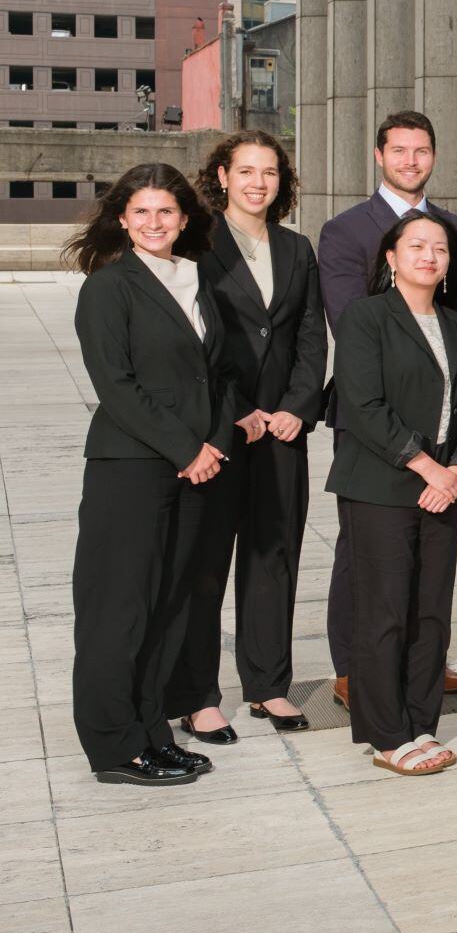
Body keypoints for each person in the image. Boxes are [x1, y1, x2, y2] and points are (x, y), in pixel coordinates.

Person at [67, 164, 238, 786]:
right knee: (120, 609)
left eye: (166, 212)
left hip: (195, 469)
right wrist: (185, 447)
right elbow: (116, 387)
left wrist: (214, 444)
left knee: (169, 606)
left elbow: (217, 375)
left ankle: (152, 732)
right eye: (141, 212)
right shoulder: (108, 288)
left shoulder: (198, 281)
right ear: (122, 219)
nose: (154, 223)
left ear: (185, 218)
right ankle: (114, 746)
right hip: (132, 468)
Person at [317, 111, 457, 707]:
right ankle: (356, 669)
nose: (411, 161)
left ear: (434, 156)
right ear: (379, 157)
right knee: (365, 549)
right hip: (375, 418)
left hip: (442, 411)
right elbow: (348, 322)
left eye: (422, 151)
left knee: (429, 554)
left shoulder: (456, 229)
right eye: (400, 151)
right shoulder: (345, 229)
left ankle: (419, 666)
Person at [170, 132, 327, 743]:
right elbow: (193, 339)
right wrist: (238, 410)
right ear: (223, 175)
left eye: (269, 172)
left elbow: (311, 335)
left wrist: (295, 407)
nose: (259, 182)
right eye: (247, 171)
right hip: (219, 428)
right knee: (205, 565)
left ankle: (268, 686)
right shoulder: (195, 244)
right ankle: (197, 696)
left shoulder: (296, 247)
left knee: (274, 560)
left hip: (283, 433)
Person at [327, 210, 457, 776]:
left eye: (439, 249)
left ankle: (422, 722)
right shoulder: (366, 318)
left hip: (443, 486)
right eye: (416, 246)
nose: (429, 256)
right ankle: (387, 734)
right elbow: (363, 405)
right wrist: (426, 466)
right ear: (390, 259)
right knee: (386, 611)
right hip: (381, 484)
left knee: (431, 613)